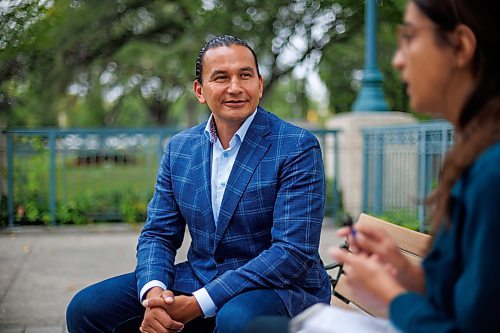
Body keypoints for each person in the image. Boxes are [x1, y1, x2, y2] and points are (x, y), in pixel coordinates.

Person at [245, 0, 500, 332]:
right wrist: (406, 274)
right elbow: (469, 304)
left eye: (409, 37)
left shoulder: (491, 173)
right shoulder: (476, 156)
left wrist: (392, 299)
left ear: (461, 45)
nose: (397, 60)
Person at [66, 35, 331, 333]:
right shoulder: (180, 148)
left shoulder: (297, 146)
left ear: (259, 84)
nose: (235, 87)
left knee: (237, 319)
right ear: (199, 90)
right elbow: (158, 233)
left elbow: (291, 252)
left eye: (245, 75)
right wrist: (156, 294)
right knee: (86, 308)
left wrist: (198, 303)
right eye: (221, 77)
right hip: (200, 276)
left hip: (281, 287)